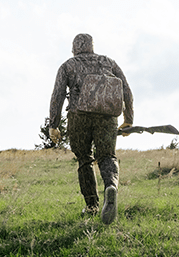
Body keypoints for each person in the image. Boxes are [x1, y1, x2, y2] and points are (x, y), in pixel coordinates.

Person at [48, 33, 134, 224]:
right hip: (107, 117)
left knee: (84, 159)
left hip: (78, 117)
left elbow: (57, 96)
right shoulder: (109, 62)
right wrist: (128, 119)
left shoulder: (67, 66)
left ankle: (92, 206)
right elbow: (126, 90)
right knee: (107, 156)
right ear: (92, 46)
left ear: (74, 48)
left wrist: (54, 125)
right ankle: (111, 186)